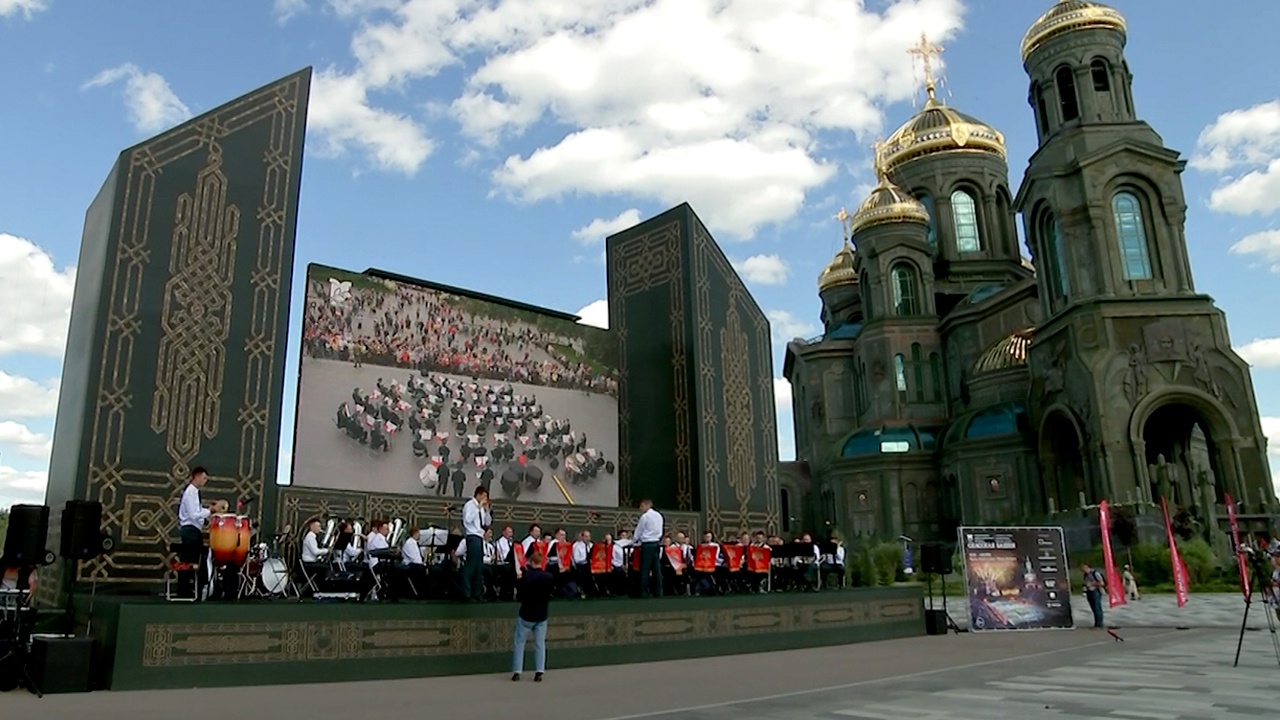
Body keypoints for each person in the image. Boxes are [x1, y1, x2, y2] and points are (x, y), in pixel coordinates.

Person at [176, 466, 226, 599]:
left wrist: (206, 514)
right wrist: (212, 511)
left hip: (191, 530)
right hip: (190, 531)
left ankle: (187, 589)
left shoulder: (193, 492)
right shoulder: (191, 492)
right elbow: (193, 515)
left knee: (191, 560)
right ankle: (186, 590)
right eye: (204, 478)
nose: (205, 481)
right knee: (190, 561)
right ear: (196, 476)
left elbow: (196, 512)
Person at [511, 545, 554, 682]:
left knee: (519, 642)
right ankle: (539, 671)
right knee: (540, 643)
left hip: (526, 613)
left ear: (531, 562)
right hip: (542, 614)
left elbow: (520, 597)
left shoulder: (527, 577)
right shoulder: (549, 577)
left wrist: (519, 580)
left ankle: (517, 671)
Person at [461, 486, 491, 600]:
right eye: (484, 496)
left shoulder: (481, 508)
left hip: (479, 537)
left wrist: (486, 510)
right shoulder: (470, 505)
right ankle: (466, 593)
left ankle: (477, 593)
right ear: (478, 495)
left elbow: (486, 523)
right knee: (471, 565)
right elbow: (468, 520)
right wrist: (478, 507)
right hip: (472, 536)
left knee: (478, 566)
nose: (485, 499)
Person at [633, 499, 664, 598]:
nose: (640, 509)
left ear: (647, 505)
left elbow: (639, 531)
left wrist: (633, 541)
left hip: (647, 544)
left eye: (641, 506)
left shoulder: (645, 517)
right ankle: (658, 591)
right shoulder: (659, 516)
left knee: (645, 568)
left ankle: (643, 592)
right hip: (656, 542)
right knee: (656, 568)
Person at [1081, 563, 1106, 628]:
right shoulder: (1085, 575)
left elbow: (1102, 583)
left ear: (1087, 568)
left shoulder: (1095, 573)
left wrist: (1093, 584)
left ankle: (1100, 624)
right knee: (1093, 608)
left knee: (1097, 608)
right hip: (1089, 592)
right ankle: (1096, 623)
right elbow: (1084, 583)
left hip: (1096, 591)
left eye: (1083, 569)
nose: (1083, 571)